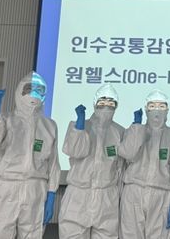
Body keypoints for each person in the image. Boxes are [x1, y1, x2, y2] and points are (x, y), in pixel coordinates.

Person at [0, 71, 60, 239]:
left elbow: (53, 164)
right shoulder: (5, 120)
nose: (34, 94)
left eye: (39, 90)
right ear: (19, 91)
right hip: (6, 186)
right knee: (0, 233)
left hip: (35, 188)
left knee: (32, 234)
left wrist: (51, 196)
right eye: (29, 89)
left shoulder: (49, 126)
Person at [59, 84, 126, 239]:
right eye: (102, 102)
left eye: (111, 103)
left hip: (106, 196)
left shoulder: (119, 132)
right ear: (95, 103)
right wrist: (80, 127)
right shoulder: (79, 126)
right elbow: (75, 151)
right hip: (78, 195)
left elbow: (120, 168)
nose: (106, 107)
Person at [118, 89, 170, 239]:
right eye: (152, 106)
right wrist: (136, 128)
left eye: (161, 106)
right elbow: (128, 153)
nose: (156, 110)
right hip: (134, 192)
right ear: (146, 109)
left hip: (161, 195)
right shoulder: (133, 131)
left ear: (167, 110)